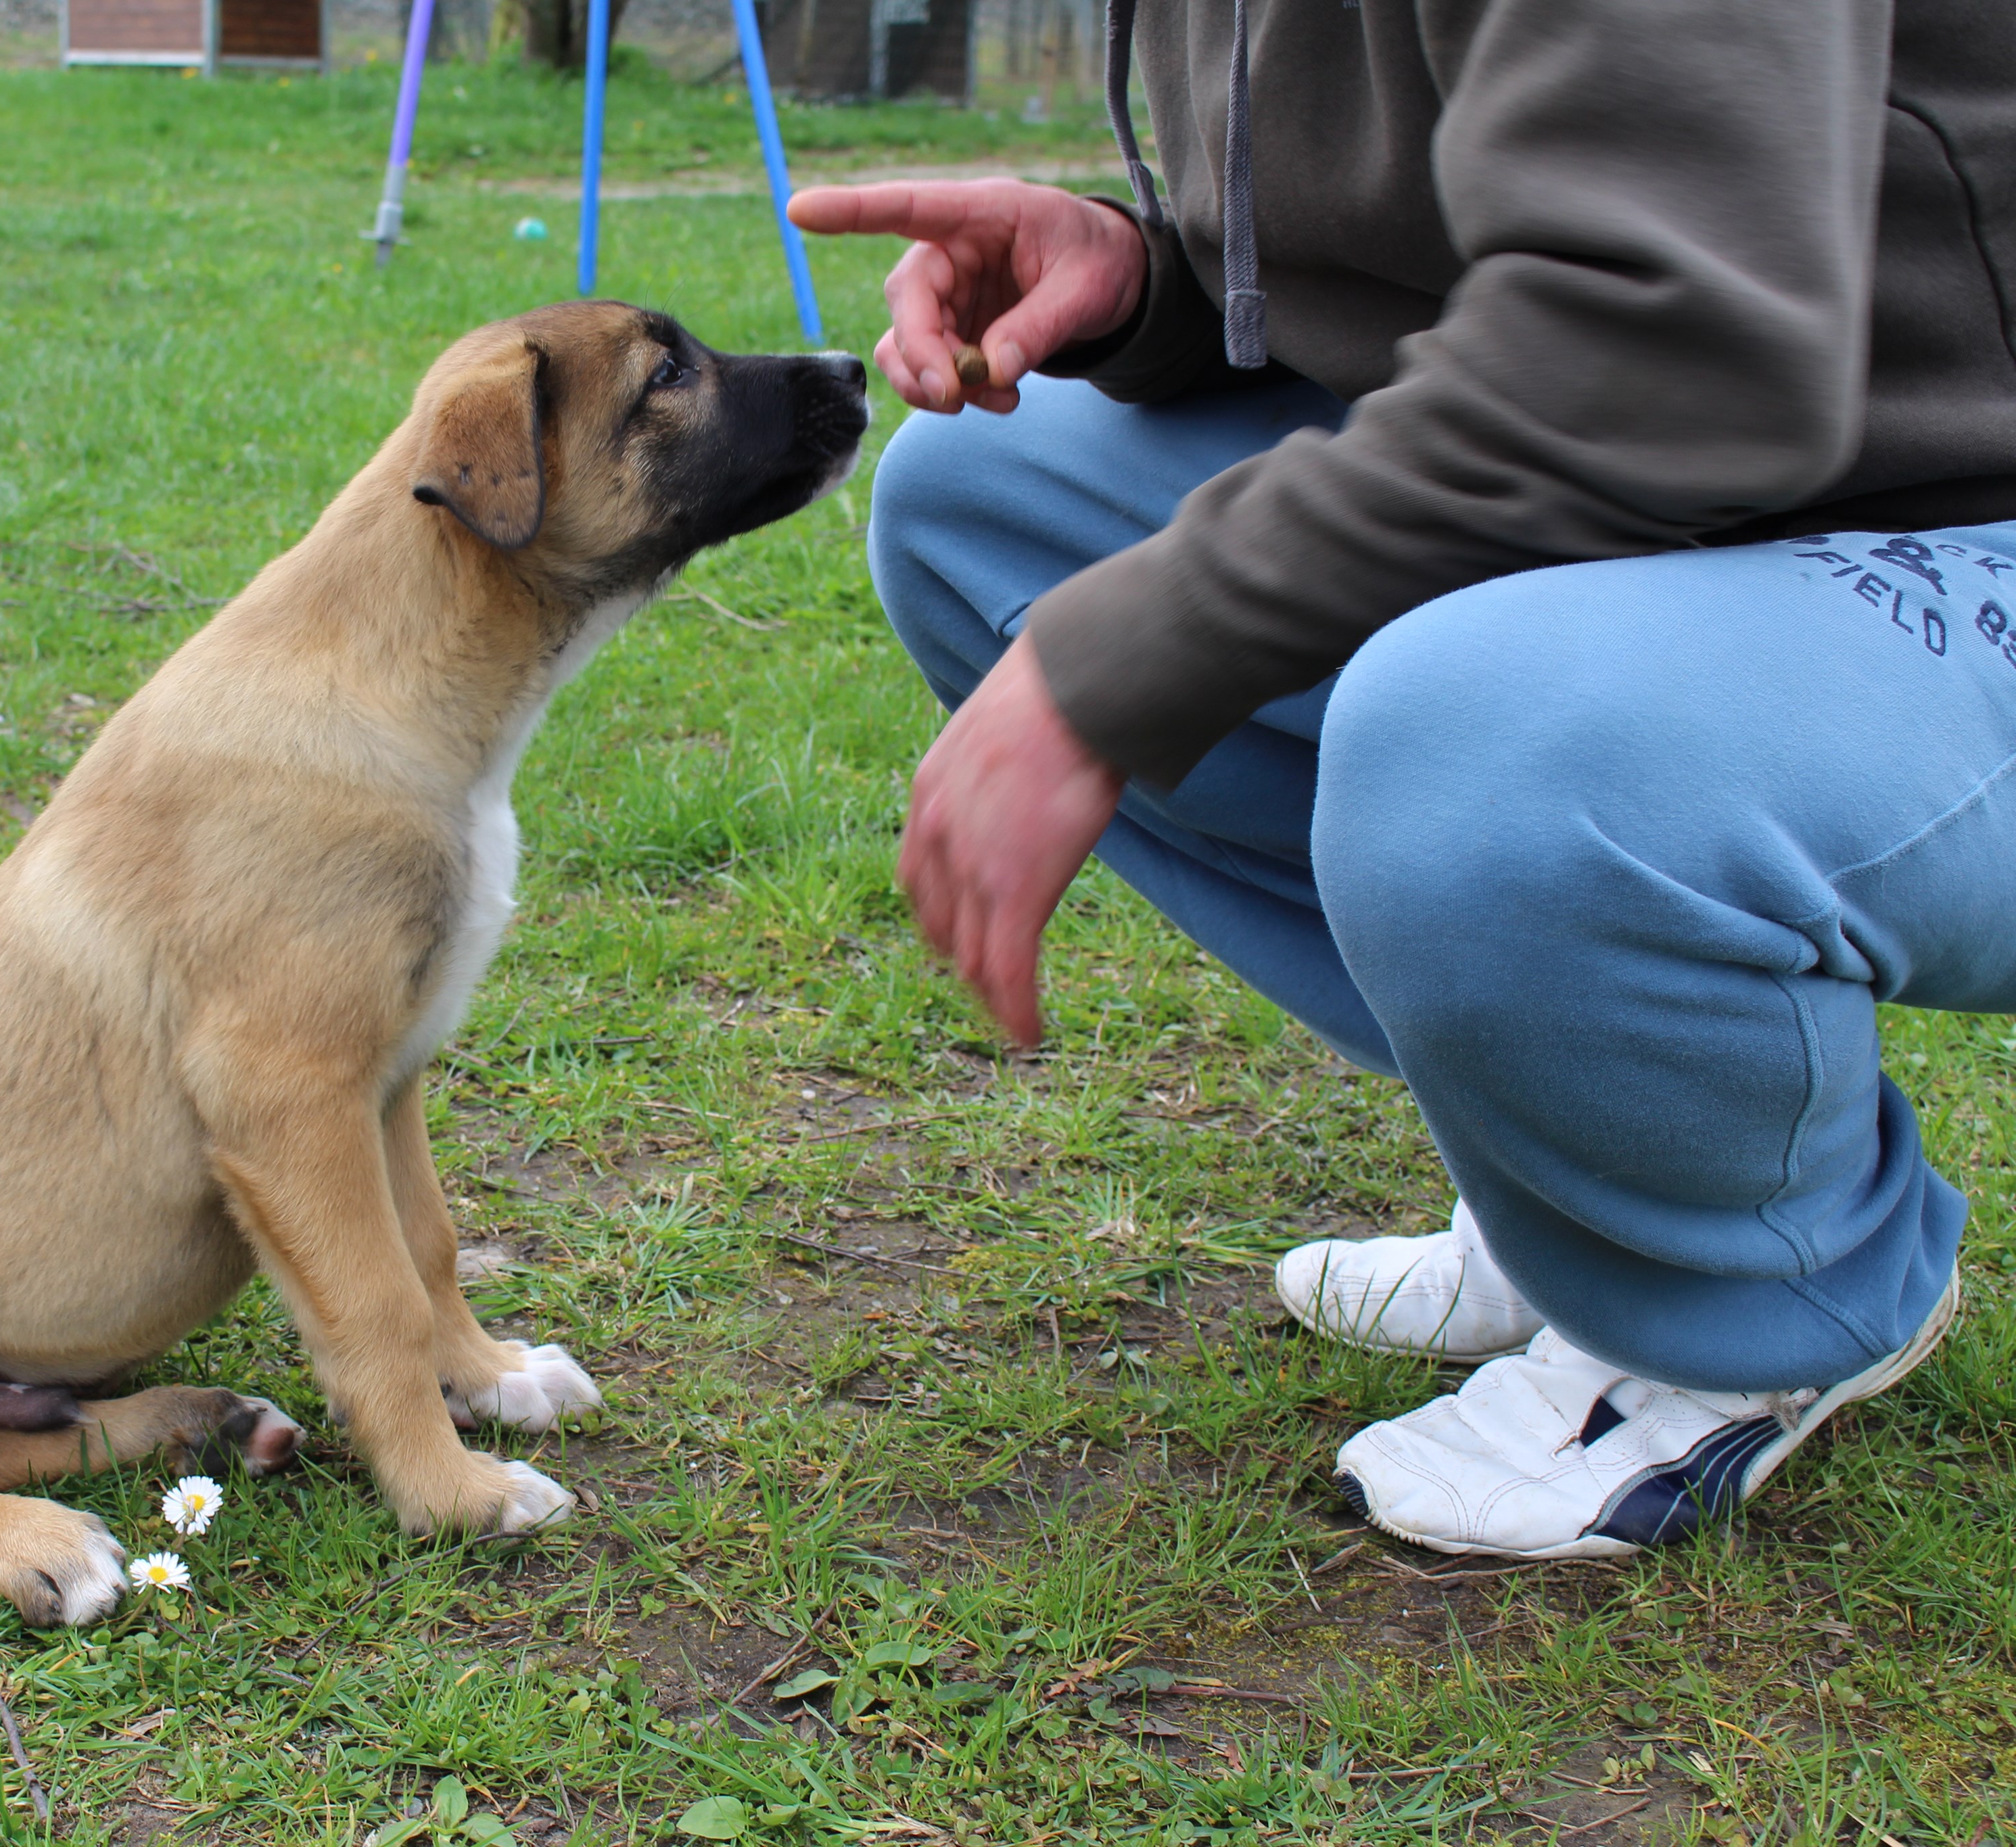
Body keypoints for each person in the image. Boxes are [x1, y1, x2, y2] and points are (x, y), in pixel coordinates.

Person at [787, 0, 2012, 1560]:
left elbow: (1683, 350)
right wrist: (1144, 281)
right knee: (991, 502)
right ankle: (1582, 1192)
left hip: (1959, 517)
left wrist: (1146, 647)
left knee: (1487, 736)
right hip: (1739, 495)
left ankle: (1752, 1295)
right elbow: (1507, 239)